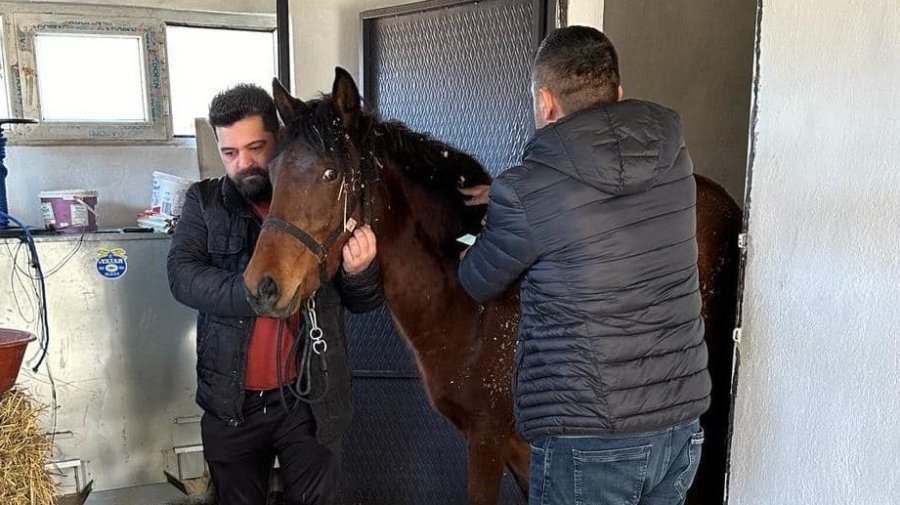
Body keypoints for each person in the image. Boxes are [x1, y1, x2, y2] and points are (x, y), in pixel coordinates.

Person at [458, 26, 709, 505]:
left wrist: (491, 227)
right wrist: (516, 202)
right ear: (618, 93)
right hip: (679, 425)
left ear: (546, 101)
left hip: (590, 436)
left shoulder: (527, 189)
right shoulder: (674, 156)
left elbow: (478, 281)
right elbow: (605, 213)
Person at [167, 83, 383, 505]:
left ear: (280, 137)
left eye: (255, 148)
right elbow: (182, 276)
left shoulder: (322, 198)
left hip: (310, 402)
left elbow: (363, 302)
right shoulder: (205, 202)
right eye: (230, 153)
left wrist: (360, 272)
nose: (244, 163)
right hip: (232, 404)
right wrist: (260, 293)